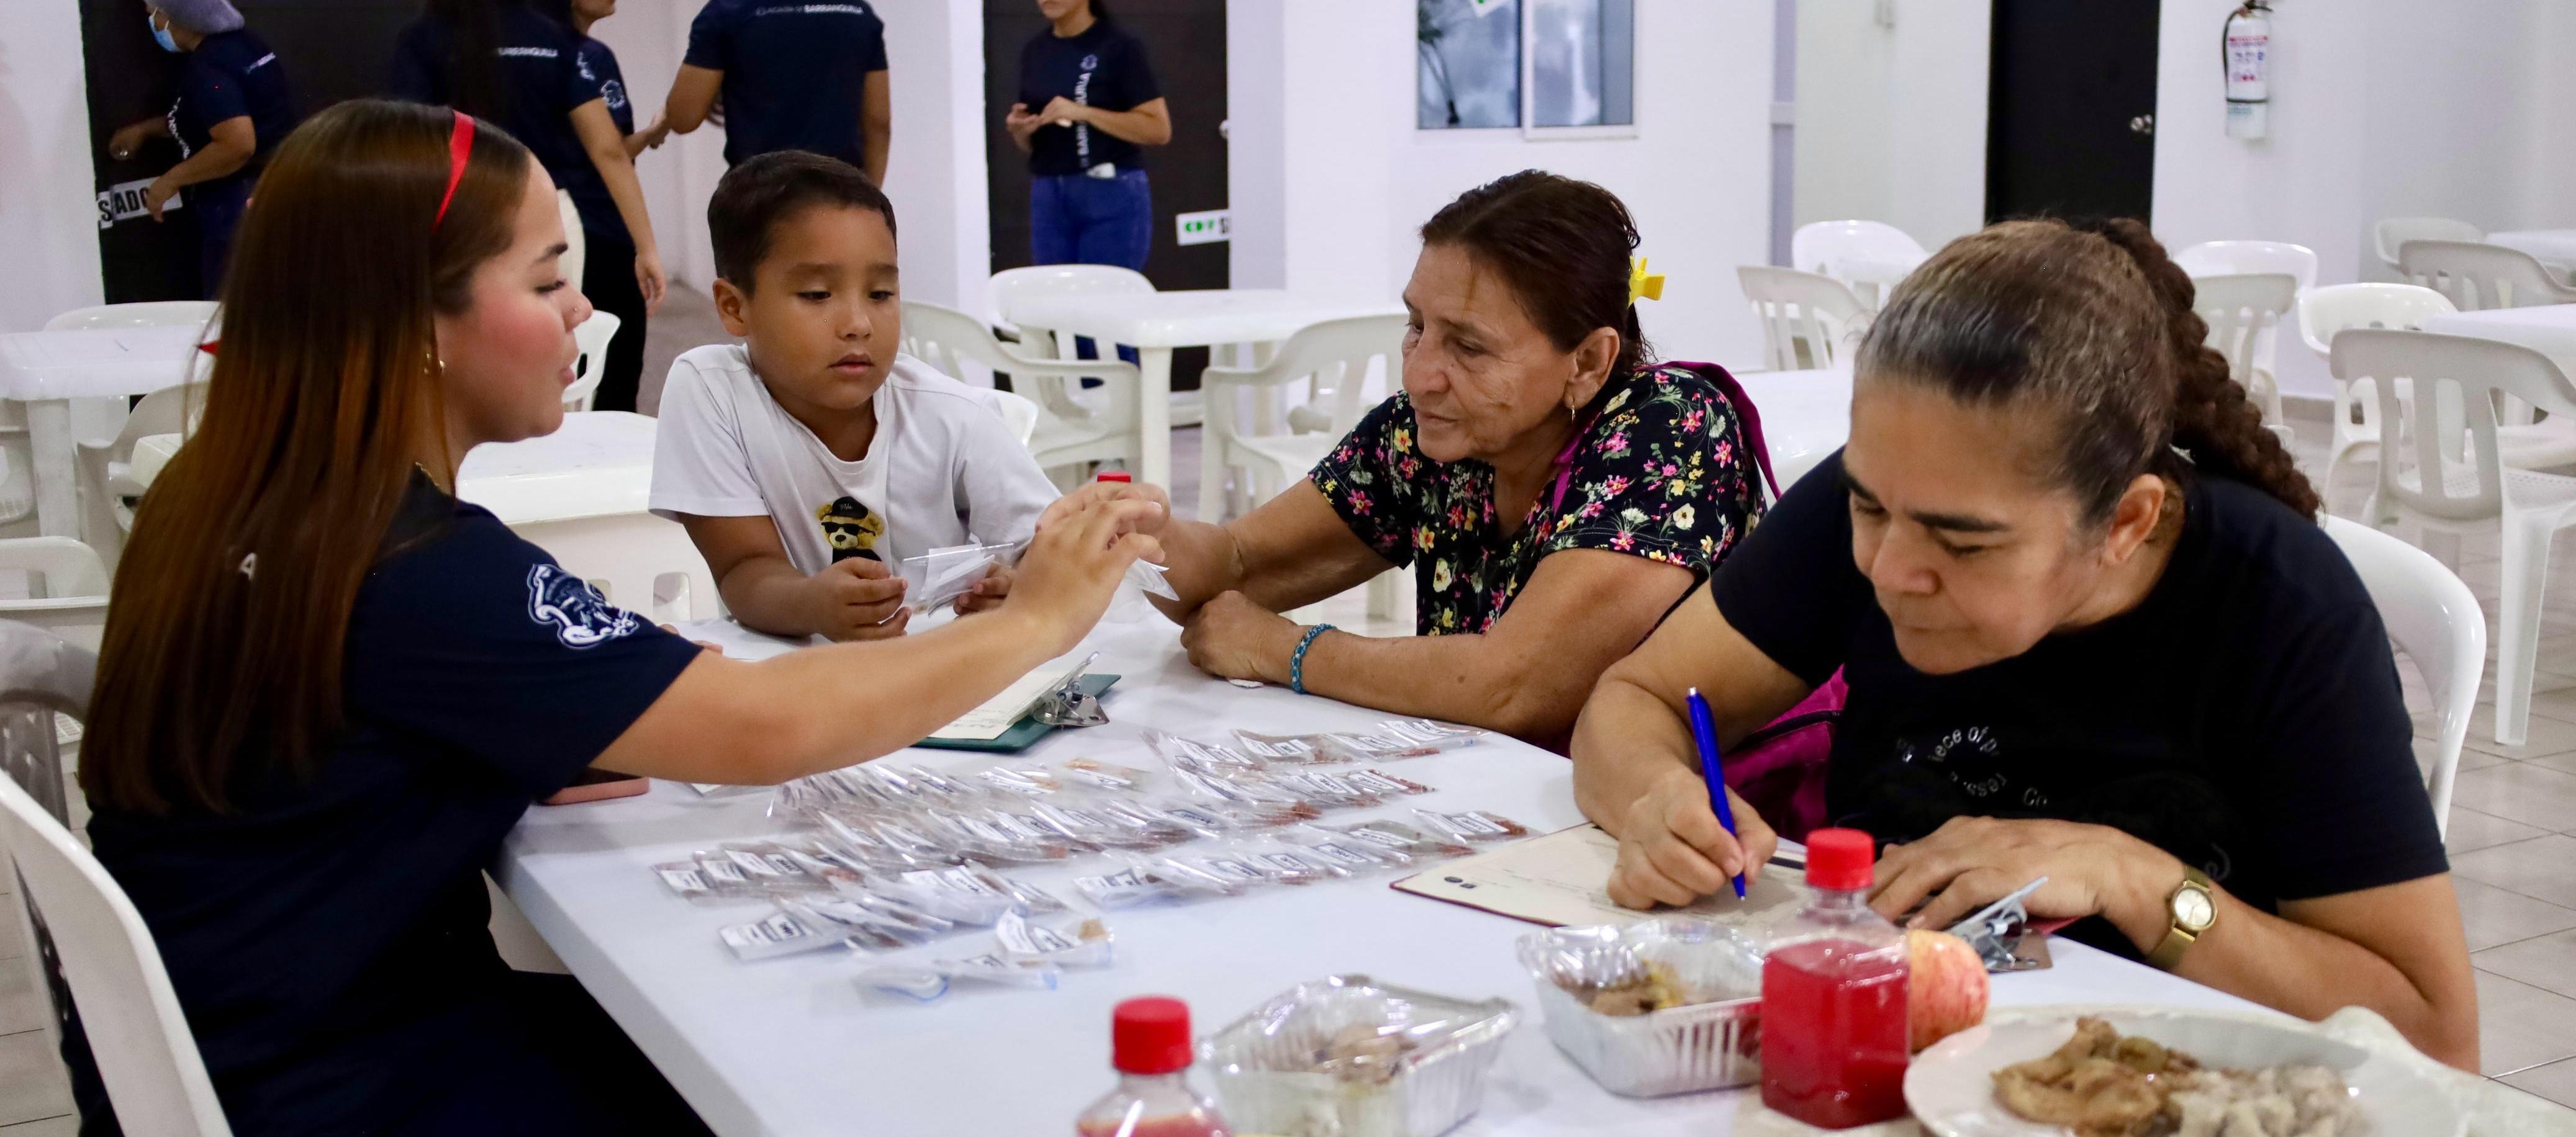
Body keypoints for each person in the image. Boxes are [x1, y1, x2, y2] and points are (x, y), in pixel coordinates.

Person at [75, 99, 1157, 1135]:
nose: (581, 313)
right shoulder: (408, 558)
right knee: (828, 1072)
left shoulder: (229, 486)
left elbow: (337, 729)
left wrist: (529, 723)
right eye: (547, 278)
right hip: (346, 1082)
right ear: (415, 317)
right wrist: (1029, 625)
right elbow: (760, 728)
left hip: (238, 1042)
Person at [1568, 218, 2479, 1068]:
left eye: (1964, 544)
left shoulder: (2284, 610)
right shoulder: (1892, 499)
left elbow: (2434, 1039)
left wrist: (2136, 879)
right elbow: (1636, 699)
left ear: (2125, 521)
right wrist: (1656, 794)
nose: (1889, 569)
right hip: (1897, 1051)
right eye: (1867, 506)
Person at [1047, 171, 1769, 748]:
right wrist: (1145, 534)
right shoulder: (1432, 438)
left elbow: (1513, 687)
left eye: (1469, 346)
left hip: (1695, 822)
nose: (1421, 373)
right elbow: (1239, 566)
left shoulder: (1668, 427)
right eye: (1416, 327)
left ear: (1587, 360)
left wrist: (1285, 649)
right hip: (1514, 800)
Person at [652, 152, 1060, 642]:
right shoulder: (711, 390)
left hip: (941, 672)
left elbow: (1052, 551)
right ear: (735, 307)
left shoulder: (955, 416)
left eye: (881, 294)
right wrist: (811, 604)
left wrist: (1018, 587)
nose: (858, 324)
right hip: (799, 680)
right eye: (818, 295)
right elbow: (743, 568)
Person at [392, 0, 667, 410]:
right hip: (547, 212)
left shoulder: (424, 37)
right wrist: (646, 247)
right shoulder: (551, 38)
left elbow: (407, 141)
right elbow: (608, 150)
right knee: (557, 354)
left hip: (460, 214)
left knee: (470, 357)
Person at [105, 0, 298, 295]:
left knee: (229, 313)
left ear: (178, 19)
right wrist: (145, 130)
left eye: (155, 14)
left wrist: (170, 181)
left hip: (236, 203)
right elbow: (214, 115)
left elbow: (237, 144)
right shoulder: (246, 46)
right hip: (275, 190)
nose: (152, 23)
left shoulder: (209, 68)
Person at [541, 0, 671, 410]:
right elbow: (609, 154)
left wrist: (653, 132)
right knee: (605, 374)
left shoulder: (590, 55)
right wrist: (647, 247)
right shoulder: (574, 54)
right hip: (588, 227)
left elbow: (609, 148)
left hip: (582, 226)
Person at [1005, 0, 1169, 272]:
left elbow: (1159, 129)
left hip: (1109, 189)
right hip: (1049, 193)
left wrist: (1085, 113)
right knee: (1053, 302)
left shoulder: (1118, 46)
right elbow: (1031, 144)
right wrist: (1021, 130)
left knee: (1104, 302)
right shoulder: (1035, 50)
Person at [664, 0, 888, 182]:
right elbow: (878, 124)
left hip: (760, 195)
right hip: (840, 192)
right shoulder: (859, 13)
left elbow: (683, 119)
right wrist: (871, 199)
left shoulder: (725, 12)